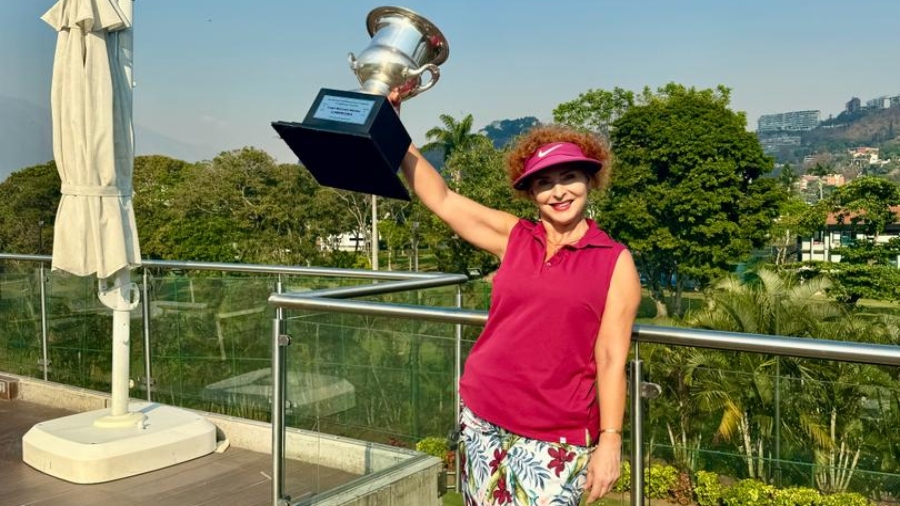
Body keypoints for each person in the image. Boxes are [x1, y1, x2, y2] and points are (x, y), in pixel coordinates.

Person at [398, 115, 641, 505]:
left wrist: (610, 440)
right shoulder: (515, 238)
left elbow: (612, 356)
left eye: (569, 177)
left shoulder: (614, 261)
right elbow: (440, 197)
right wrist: (390, 122)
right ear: (530, 193)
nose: (558, 192)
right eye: (544, 182)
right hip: (482, 415)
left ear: (590, 181)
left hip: (556, 433)